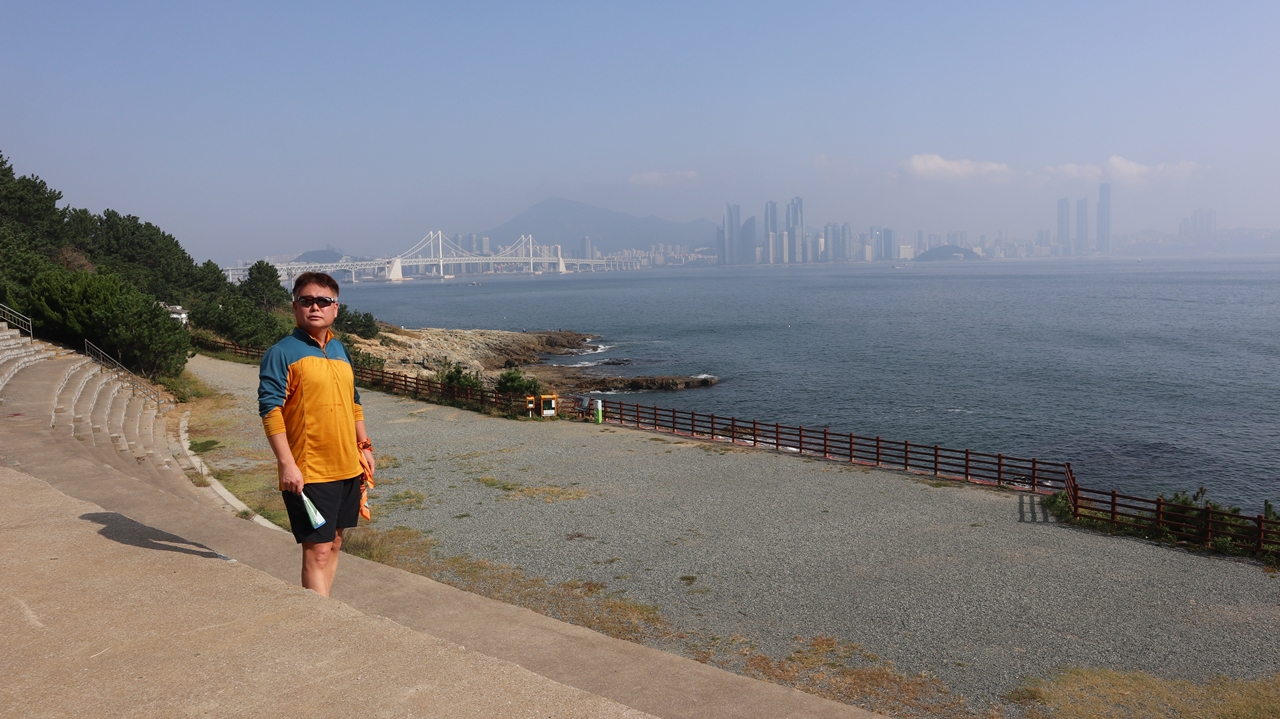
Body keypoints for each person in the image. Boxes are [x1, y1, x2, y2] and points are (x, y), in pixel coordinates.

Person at [258, 271, 374, 596]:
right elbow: (270, 410)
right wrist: (287, 464)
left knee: (334, 543)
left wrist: (365, 447)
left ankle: (325, 610)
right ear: (294, 307)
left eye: (323, 301)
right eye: (306, 300)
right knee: (317, 551)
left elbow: (354, 402)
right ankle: (318, 619)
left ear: (335, 308)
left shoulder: (339, 350)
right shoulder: (281, 353)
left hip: (347, 466)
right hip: (310, 471)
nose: (314, 307)